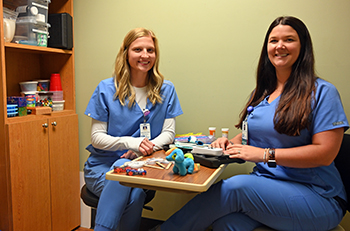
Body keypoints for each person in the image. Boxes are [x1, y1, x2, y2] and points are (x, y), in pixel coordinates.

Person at [154, 16, 349, 231]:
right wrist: (229, 143)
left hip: (317, 196)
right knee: (226, 224)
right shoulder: (262, 94)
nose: (280, 46)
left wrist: (264, 154)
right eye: (273, 40)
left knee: (236, 187)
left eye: (289, 40)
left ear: (303, 47)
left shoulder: (322, 92)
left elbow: (325, 153)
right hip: (269, 188)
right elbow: (252, 134)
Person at [84, 28, 183, 231]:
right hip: (103, 167)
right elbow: (96, 138)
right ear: (126, 52)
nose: (145, 55)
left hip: (141, 167)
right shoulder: (106, 88)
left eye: (150, 50)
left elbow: (169, 133)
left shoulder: (166, 89)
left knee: (134, 188)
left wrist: (142, 148)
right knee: (127, 178)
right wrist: (131, 142)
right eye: (138, 49)